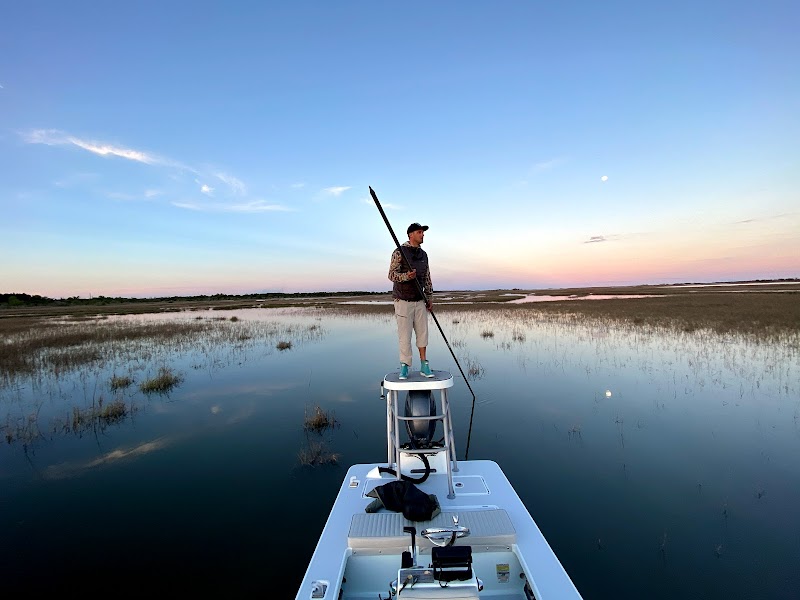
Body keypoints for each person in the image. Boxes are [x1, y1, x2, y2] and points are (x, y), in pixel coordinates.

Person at [388, 222, 434, 379]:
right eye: (420, 232)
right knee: (404, 335)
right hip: (402, 300)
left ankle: (424, 365)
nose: (423, 235)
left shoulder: (424, 255)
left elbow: (427, 277)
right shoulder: (399, 252)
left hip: (419, 300)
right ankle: (405, 366)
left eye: (423, 232)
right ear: (411, 235)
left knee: (423, 334)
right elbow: (391, 275)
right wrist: (406, 276)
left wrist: (429, 297)